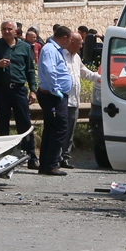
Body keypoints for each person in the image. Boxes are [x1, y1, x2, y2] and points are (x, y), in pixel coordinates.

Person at [0, 20, 38, 168]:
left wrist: (33, 90)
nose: (6, 31)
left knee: (24, 124)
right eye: (4, 29)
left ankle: (31, 157)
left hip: (19, 90)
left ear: (15, 31)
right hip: (2, 90)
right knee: (3, 125)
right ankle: (3, 158)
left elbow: (30, 70)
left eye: (9, 29)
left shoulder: (25, 47)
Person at [35, 24, 74, 175]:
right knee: (59, 128)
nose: (70, 42)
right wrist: (55, 89)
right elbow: (50, 70)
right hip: (52, 96)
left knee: (51, 130)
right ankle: (51, 164)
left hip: (54, 95)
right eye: (70, 39)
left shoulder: (55, 49)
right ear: (64, 38)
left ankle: (45, 164)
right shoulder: (50, 50)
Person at [61, 29, 101, 168]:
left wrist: (100, 78)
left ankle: (65, 156)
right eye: (80, 43)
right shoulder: (60, 56)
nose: (82, 46)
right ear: (72, 42)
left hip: (74, 100)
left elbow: (84, 72)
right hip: (62, 100)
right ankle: (56, 156)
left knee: (70, 131)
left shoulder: (76, 57)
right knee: (61, 130)